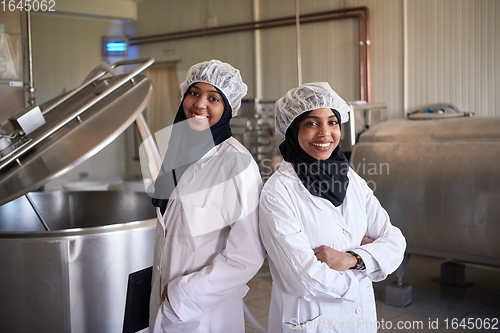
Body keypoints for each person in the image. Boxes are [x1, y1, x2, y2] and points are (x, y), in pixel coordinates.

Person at [259, 82, 406, 332]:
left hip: (361, 320)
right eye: (312, 123)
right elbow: (304, 278)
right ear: (293, 129)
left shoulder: (351, 179)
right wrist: (367, 267)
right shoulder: (278, 191)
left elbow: (395, 241)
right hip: (313, 320)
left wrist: (352, 259)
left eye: (332, 122)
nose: (325, 133)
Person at [149, 60, 265, 333]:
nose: (199, 104)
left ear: (227, 108)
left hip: (203, 311)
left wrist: (184, 293)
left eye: (213, 98)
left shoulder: (236, 164)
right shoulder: (178, 153)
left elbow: (247, 254)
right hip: (166, 303)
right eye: (194, 93)